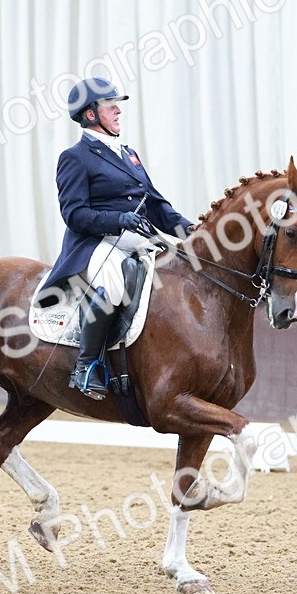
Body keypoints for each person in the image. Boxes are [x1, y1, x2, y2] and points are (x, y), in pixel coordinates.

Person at [40, 77, 194, 399]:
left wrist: (190, 231)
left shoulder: (130, 155)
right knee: (111, 285)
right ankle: (86, 366)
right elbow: (74, 214)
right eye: (110, 105)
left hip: (133, 238)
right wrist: (118, 219)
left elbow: (154, 204)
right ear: (91, 115)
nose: (118, 110)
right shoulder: (75, 157)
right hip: (95, 243)